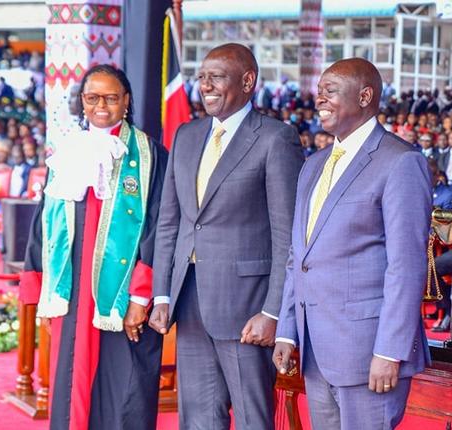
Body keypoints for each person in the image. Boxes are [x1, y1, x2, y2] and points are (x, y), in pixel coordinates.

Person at [147, 43, 303, 430]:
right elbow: (172, 221)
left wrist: (273, 313)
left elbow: (288, 235)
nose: (205, 86)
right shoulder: (186, 135)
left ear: (248, 81)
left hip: (247, 310)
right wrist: (162, 293)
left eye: (216, 76)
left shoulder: (275, 138)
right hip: (189, 301)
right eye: (201, 77)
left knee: (253, 419)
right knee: (197, 418)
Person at [273, 57, 431, 430]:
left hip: (369, 351)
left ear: (365, 96)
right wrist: (287, 329)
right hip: (316, 350)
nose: (320, 99)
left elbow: (406, 265)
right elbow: (301, 256)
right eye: (319, 91)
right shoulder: (313, 165)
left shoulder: (400, 161)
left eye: (330, 90)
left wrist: (389, 350)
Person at [18, 64, 167, 430]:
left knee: (124, 389)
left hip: (121, 294)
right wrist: (39, 287)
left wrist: (140, 296)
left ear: (126, 101)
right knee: (70, 384)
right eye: (92, 98)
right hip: (72, 293)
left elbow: (160, 225)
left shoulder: (149, 154)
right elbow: (45, 221)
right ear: (82, 102)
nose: (102, 105)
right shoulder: (67, 151)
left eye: (112, 97)